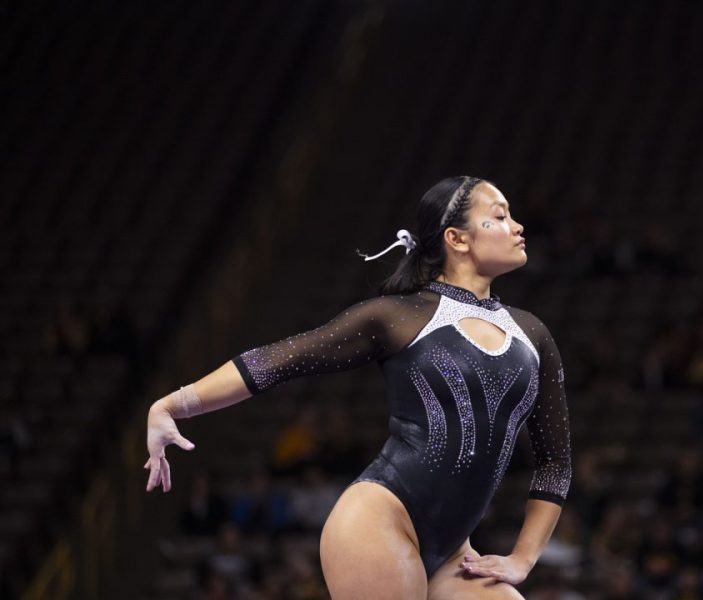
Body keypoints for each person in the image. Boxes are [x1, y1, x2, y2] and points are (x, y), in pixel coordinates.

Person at [145, 176, 572, 599]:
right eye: (499, 217)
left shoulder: (532, 336)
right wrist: (172, 405)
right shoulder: (401, 317)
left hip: (454, 553)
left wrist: (523, 558)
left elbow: (555, 461)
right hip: (379, 522)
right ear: (457, 239)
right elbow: (281, 359)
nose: (517, 226)